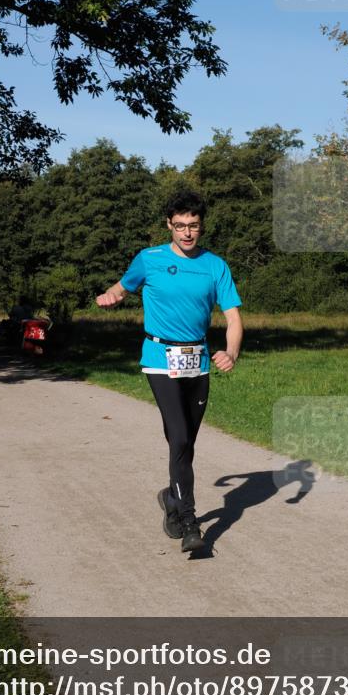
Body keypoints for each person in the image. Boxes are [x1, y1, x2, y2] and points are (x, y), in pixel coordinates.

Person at [96, 189, 243, 554]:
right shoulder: (150, 259)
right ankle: (191, 522)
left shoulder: (215, 265)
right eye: (180, 226)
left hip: (198, 359)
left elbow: (234, 319)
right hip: (160, 357)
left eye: (193, 226)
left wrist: (232, 352)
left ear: (202, 226)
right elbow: (123, 285)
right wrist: (111, 295)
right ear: (169, 226)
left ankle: (171, 498)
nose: (187, 233)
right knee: (178, 437)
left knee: (186, 443)